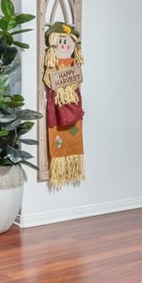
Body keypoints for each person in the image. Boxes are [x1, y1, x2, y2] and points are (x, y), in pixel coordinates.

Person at [42, 22, 85, 188]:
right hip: (57, 105)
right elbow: (48, 78)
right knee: (57, 135)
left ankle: (72, 165)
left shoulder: (75, 64)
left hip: (73, 104)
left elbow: (77, 79)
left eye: (66, 42)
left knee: (74, 133)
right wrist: (61, 90)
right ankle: (59, 167)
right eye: (60, 42)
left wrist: (68, 90)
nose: (64, 46)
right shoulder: (52, 65)